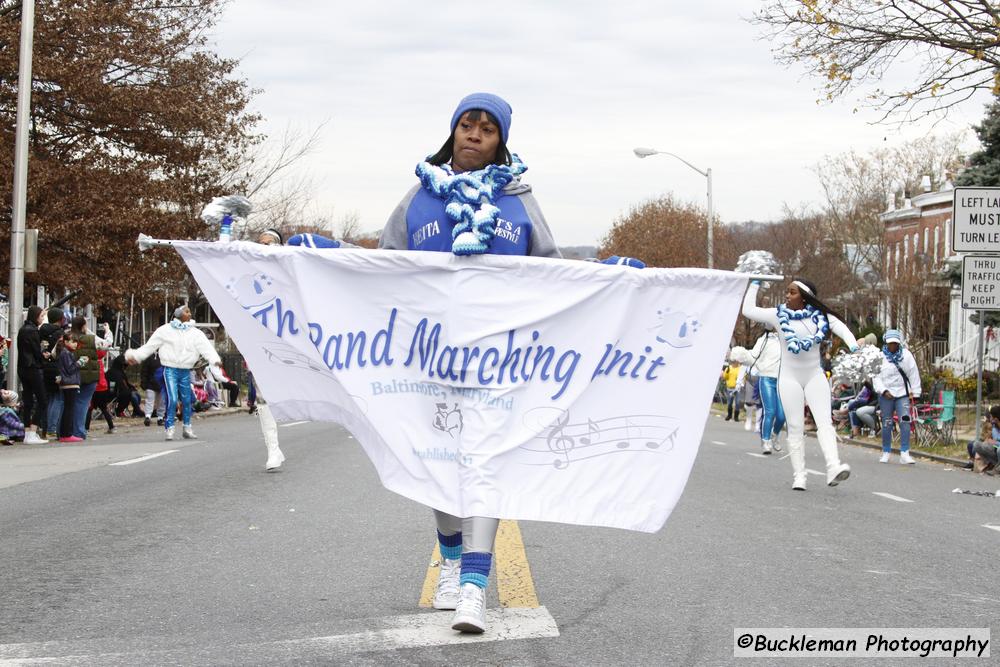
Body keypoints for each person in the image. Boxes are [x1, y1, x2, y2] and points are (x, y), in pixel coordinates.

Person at [742, 278, 859, 490]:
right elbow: (748, 310)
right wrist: (755, 283)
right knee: (795, 426)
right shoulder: (778, 315)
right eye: (787, 292)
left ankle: (833, 466)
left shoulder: (821, 317)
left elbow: (840, 327)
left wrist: (852, 345)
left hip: (814, 375)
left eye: (792, 292)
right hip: (789, 378)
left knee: (824, 422)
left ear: (804, 297)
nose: (787, 296)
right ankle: (799, 476)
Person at [124, 306, 222, 441]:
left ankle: (187, 427)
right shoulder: (165, 330)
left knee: (187, 400)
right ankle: (169, 427)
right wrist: (136, 356)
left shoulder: (195, 333)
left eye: (189, 311)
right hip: (170, 369)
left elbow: (206, 348)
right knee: (173, 399)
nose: (190, 313)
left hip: (185, 370)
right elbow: (150, 346)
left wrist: (214, 359)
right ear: (178, 314)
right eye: (187, 311)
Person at [249, 228, 288, 471]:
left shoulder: (289, 267)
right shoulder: (249, 273)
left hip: (291, 340)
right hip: (262, 342)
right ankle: (273, 450)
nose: (264, 247)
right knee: (264, 398)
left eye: (270, 243)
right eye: (261, 243)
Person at [873, 329, 921, 464]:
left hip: (902, 394)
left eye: (895, 343)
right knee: (887, 423)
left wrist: (916, 393)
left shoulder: (907, 356)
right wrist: (883, 390)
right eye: (890, 343)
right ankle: (886, 451)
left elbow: (913, 373)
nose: (892, 346)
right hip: (886, 395)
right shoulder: (879, 357)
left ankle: (905, 452)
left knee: (905, 421)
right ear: (886, 343)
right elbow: (875, 376)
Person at [69, 317, 113, 440]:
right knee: (83, 404)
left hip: (71, 374)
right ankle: (79, 431)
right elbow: (107, 344)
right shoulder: (91, 339)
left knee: (69, 403)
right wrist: (108, 332)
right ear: (84, 326)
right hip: (89, 376)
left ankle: (66, 430)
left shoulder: (67, 338)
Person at [748, 327, 785, 454]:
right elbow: (753, 356)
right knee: (770, 411)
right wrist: (761, 368)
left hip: (782, 380)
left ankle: (775, 435)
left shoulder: (787, 338)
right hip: (767, 379)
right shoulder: (764, 340)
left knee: (782, 415)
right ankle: (766, 441)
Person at [16, 305, 49, 444]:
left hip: (22, 368)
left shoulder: (22, 330)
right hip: (32, 368)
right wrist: (44, 357)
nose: (42, 319)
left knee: (28, 400)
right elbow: (36, 351)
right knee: (42, 400)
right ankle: (33, 431)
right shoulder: (33, 331)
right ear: (35, 317)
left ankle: (27, 431)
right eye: (41, 316)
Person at [39, 307, 66, 440]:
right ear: (61, 320)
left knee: (46, 399)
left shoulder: (41, 331)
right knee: (57, 398)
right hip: (55, 367)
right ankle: (52, 428)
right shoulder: (60, 333)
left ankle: (44, 428)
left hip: (43, 367)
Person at [55, 333, 83, 443]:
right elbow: (70, 369)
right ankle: (66, 433)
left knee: (68, 408)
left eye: (76, 342)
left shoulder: (66, 352)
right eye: (72, 341)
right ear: (66, 342)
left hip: (68, 383)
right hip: (69, 383)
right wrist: (80, 362)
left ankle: (65, 433)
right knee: (69, 409)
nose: (75, 344)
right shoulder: (66, 353)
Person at [966, 405, 1000, 472]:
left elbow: (995, 441)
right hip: (994, 448)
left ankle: (997, 468)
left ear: (995, 418)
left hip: (998, 448)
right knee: (976, 445)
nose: (989, 418)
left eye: (991, 416)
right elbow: (992, 438)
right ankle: (995, 465)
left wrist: (995, 442)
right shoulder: (993, 426)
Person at [139, 352, 163, 426]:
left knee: (160, 401)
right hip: (152, 383)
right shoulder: (149, 357)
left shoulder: (165, 356)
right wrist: (144, 382)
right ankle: (149, 416)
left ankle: (158, 417)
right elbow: (144, 371)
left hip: (160, 383)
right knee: (152, 400)